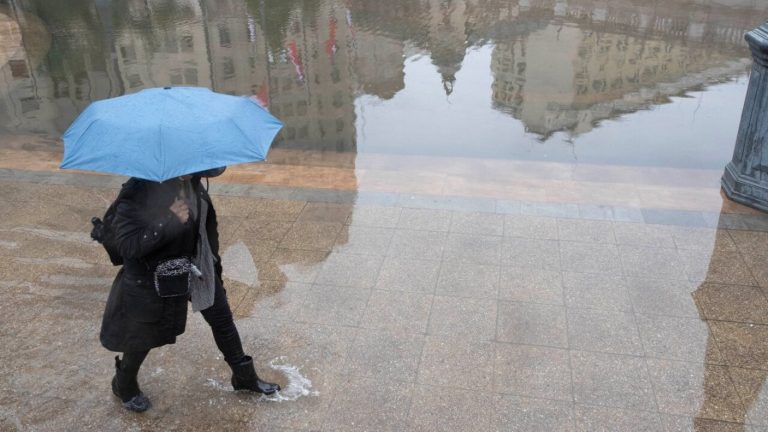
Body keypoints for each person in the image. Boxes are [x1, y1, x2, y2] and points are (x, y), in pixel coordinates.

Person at [99, 167, 279, 412]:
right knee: (144, 334)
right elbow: (128, 246)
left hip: (195, 263)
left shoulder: (194, 180)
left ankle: (244, 377)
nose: (189, 173)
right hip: (153, 274)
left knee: (221, 318)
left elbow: (203, 224)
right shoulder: (137, 190)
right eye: (183, 170)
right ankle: (124, 383)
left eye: (194, 168)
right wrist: (167, 220)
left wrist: (212, 264)